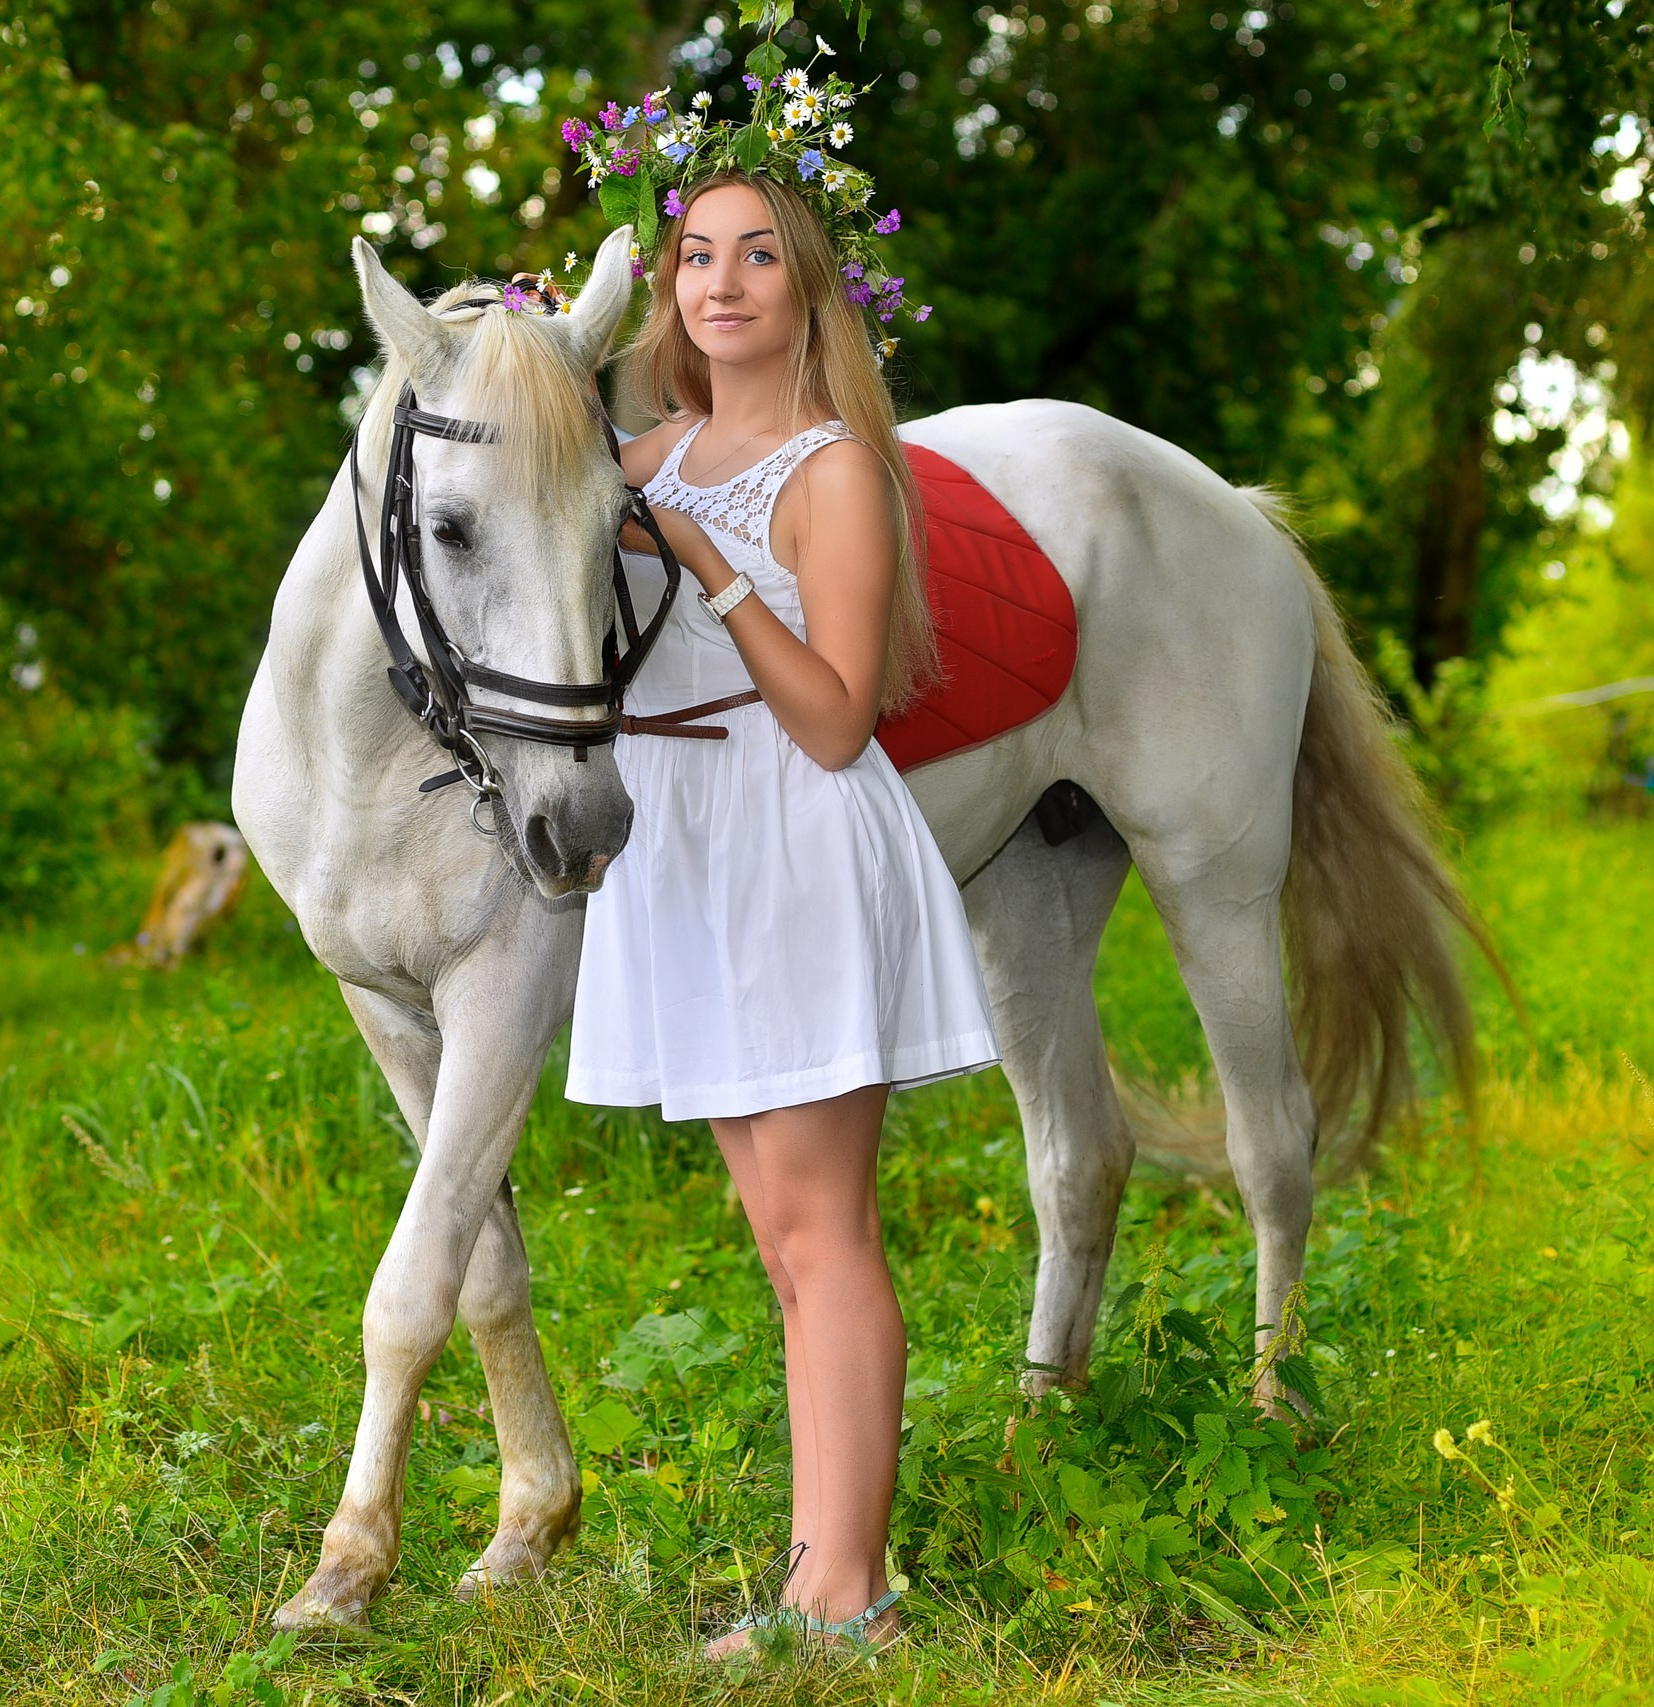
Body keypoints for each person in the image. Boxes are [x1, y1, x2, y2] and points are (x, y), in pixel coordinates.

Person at [564, 168, 1001, 1658]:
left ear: (810, 287)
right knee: (780, 1242)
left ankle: (845, 1597)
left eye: (760, 256)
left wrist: (706, 563)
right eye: (697, 256)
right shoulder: (639, 451)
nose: (724, 282)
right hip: (678, 851)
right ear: (667, 286)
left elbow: (833, 720)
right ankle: (828, 1577)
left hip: (794, 842)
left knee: (826, 1234)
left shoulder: (831, 473)